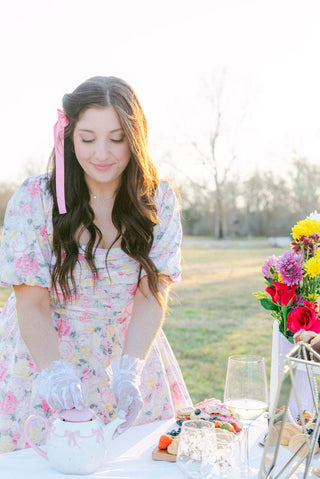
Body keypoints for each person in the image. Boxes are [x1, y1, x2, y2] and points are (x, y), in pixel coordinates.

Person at [0, 76, 192, 453]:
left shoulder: (160, 201)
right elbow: (32, 300)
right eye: (88, 138)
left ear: (135, 138)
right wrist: (54, 372)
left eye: (116, 138)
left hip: (129, 349)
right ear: (68, 138)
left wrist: (130, 369)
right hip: (42, 351)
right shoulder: (34, 198)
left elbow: (152, 292)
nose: (102, 153)